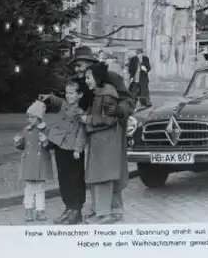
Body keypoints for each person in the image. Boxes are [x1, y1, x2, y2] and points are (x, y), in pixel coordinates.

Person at [68, 46, 135, 222]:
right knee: (97, 170)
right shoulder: (84, 82)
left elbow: (129, 100)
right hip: (95, 131)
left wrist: (119, 110)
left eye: (80, 65)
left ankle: (115, 209)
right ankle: (98, 207)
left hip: (114, 129)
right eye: (75, 66)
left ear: (91, 64)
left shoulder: (112, 79)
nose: (77, 70)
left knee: (112, 169)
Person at [38, 79, 89, 225]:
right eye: (67, 93)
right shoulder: (65, 106)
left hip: (73, 150)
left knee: (75, 180)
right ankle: (68, 208)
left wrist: (78, 149)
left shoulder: (80, 112)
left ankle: (76, 210)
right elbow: (59, 101)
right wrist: (50, 98)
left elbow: (82, 132)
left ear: (79, 95)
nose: (68, 96)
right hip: (60, 147)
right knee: (63, 179)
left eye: (72, 93)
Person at [83, 62, 124, 224]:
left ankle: (105, 213)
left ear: (97, 78)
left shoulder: (107, 95)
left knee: (103, 178)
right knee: (99, 177)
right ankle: (104, 210)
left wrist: (88, 119)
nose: (86, 81)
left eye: (88, 77)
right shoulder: (101, 93)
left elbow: (109, 119)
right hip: (100, 142)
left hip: (106, 142)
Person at [13, 100, 53, 222]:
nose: (29, 119)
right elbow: (22, 146)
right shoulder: (26, 130)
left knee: (40, 188)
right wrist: (18, 143)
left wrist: (46, 141)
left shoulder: (46, 129)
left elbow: (51, 146)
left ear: (39, 117)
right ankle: (28, 210)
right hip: (29, 163)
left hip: (41, 162)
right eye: (28, 116)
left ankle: (40, 210)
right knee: (29, 188)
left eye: (32, 117)